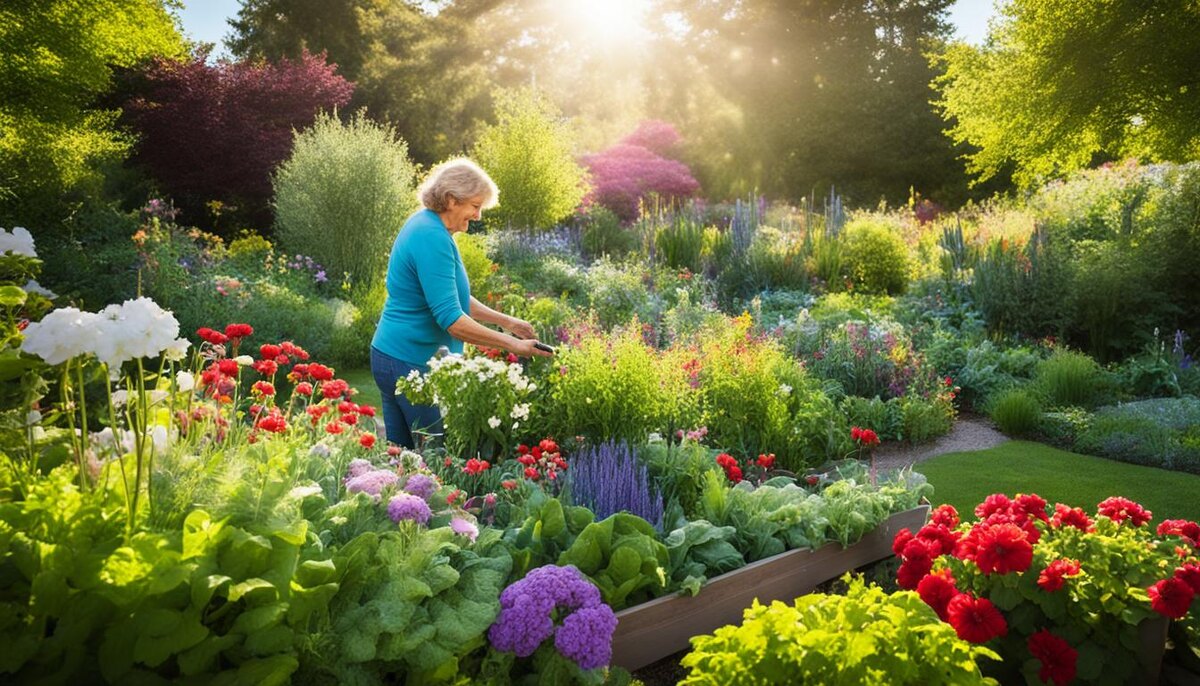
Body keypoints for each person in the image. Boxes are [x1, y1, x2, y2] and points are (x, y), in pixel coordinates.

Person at [371, 158, 553, 448]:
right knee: (432, 459)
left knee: (401, 458)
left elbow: (449, 295)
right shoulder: (432, 236)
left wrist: (507, 322)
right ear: (451, 199)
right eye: (475, 205)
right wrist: (513, 345)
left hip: (394, 355)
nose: (478, 215)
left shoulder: (427, 226)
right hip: (410, 362)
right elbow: (452, 320)